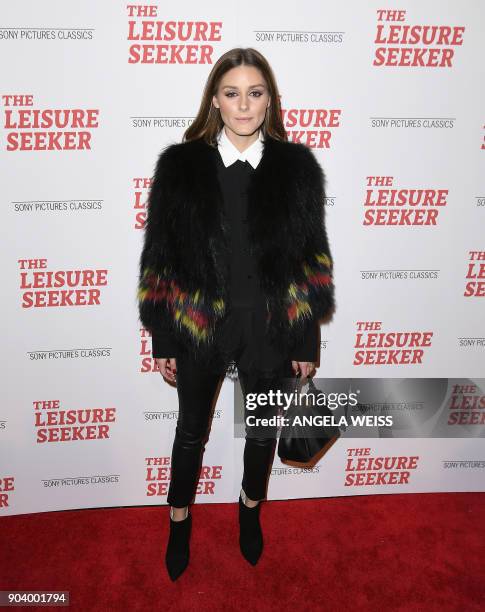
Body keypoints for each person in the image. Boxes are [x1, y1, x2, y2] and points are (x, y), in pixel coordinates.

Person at [137, 47, 335, 581]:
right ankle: (179, 521)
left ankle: (250, 509)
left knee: (263, 431)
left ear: (270, 100)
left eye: (255, 92)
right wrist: (163, 339)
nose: (243, 105)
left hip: (269, 327)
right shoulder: (180, 167)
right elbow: (160, 258)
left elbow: (310, 260)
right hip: (200, 326)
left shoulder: (296, 169)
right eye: (232, 93)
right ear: (215, 101)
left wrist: (305, 344)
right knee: (190, 431)